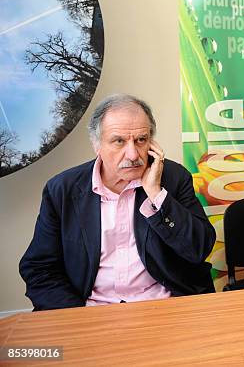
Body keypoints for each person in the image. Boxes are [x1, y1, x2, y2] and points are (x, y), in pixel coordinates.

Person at [20, 94, 216, 310]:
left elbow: (198, 249)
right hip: (91, 309)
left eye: (141, 140)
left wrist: (156, 194)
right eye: (119, 141)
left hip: (163, 306)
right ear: (97, 145)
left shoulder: (174, 178)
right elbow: (39, 269)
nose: (132, 154)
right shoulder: (62, 190)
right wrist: (78, 316)